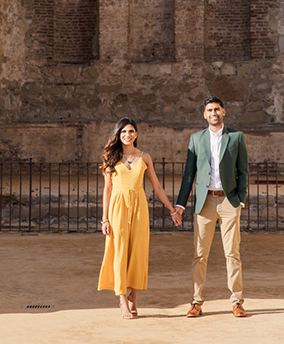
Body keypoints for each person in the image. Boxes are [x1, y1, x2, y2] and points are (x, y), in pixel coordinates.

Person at [98, 118, 181, 319]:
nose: (128, 134)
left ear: (136, 134)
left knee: (138, 251)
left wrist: (172, 209)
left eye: (131, 131)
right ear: (118, 134)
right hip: (118, 208)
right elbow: (107, 189)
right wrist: (105, 219)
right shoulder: (110, 156)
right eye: (124, 131)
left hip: (139, 208)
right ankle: (122, 300)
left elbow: (157, 187)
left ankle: (134, 294)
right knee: (119, 252)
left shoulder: (144, 157)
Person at [177, 96, 251, 317]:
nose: (214, 113)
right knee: (200, 254)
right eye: (209, 110)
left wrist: (241, 198)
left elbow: (243, 171)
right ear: (204, 114)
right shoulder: (196, 139)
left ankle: (237, 302)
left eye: (217, 109)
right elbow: (189, 175)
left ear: (224, 112)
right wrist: (181, 203)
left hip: (229, 201)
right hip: (205, 202)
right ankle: (196, 302)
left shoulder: (236, 138)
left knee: (232, 253)